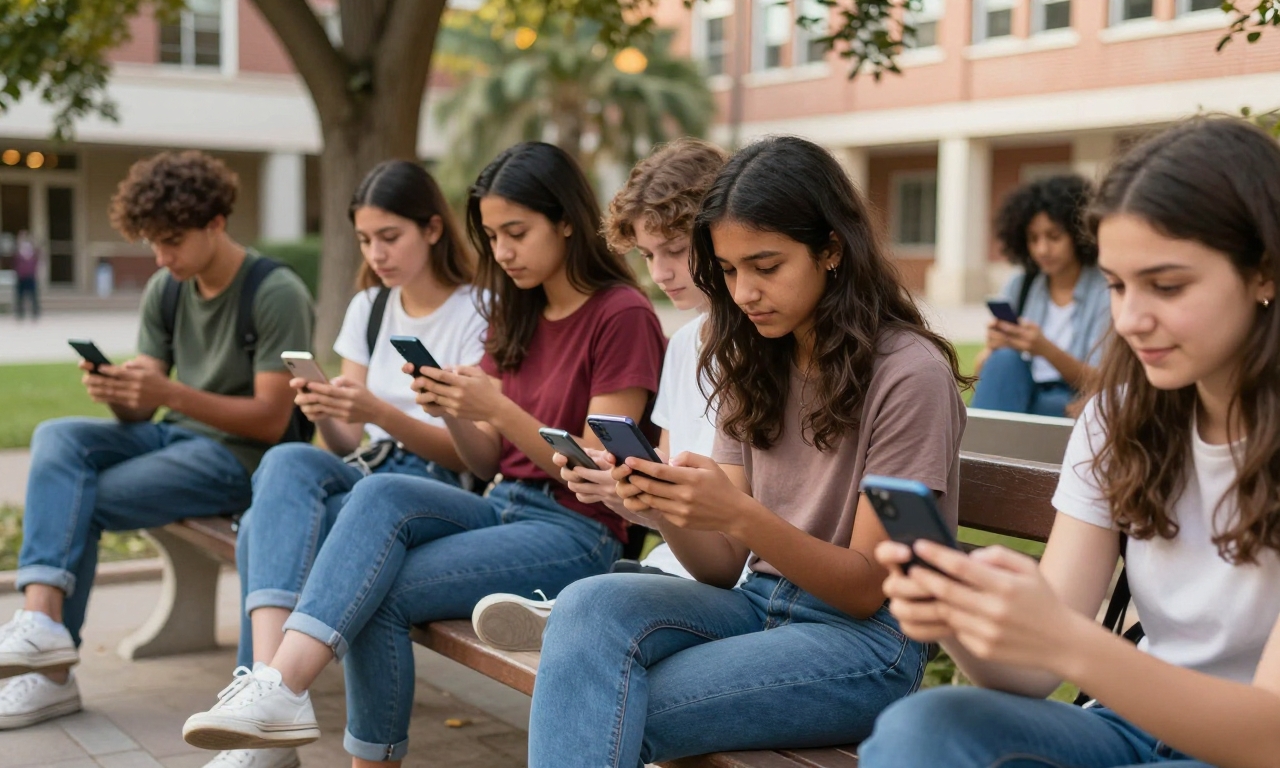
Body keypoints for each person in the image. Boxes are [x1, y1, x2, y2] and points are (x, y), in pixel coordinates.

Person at [182, 141, 667, 767]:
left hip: (578, 532)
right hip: (503, 508)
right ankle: (281, 688)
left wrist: (496, 408)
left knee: (375, 589)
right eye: (492, 236)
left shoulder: (620, 314)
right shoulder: (519, 312)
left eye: (516, 232)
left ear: (567, 221)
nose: (502, 252)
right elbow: (486, 460)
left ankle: (287, 693)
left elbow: (598, 471)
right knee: (379, 493)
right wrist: (452, 407)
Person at [526, 136, 969, 767]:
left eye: (767, 267)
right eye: (729, 271)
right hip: (755, 604)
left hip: (863, 645)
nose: (744, 293)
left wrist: (736, 513)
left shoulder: (908, 373)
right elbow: (721, 566)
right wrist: (667, 502)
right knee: (588, 605)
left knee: (601, 701)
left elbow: (867, 588)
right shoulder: (754, 358)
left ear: (832, 250)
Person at [859, 117, 1280, 768]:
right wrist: (964, 618)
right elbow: (1028, 671)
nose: (1131, 319)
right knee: (926, 728)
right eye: (1116, 285)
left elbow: (1267, 735)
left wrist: (1067, 643)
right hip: (1132, 727)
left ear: (1264, 273)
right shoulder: (1119, 419)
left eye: (1166, 285)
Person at [0, 150, 313, 731]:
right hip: (172, 438)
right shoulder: (168, 289)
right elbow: (144, 402)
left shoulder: (275, 292)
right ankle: (43, 627)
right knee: (57, 437)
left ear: (216, 222)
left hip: (241, 460)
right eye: (151, 242)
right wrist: (118, 389)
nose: (161, 255)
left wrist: (168, 390)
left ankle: (50, 678)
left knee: (72, 501)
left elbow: (272, 420)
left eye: (171, 240)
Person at [205, 161, 487, 768]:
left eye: (391, 237)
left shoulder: (477, 310)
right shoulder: (370, 306)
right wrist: (326, 408)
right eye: (365, 240)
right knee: (286, 459)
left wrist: (379, 411)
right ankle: (268, 692)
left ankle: (266, 718)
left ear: (433, 228)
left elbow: (472, 458)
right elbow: (343, 441)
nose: (377, 253)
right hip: (368, 470)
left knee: (261, 526)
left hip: (433, 487)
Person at [469, 137, 733, 652]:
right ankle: (569, 613)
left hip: (718, 575)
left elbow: (734, 522)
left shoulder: (630, 316)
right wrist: (627, 491)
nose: (659, 273)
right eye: (648, 255)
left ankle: (568, 614)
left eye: (676, 252)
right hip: (667, 564)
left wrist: (496, 407)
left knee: (591, 625)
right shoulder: (682, 346)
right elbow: (666, 482)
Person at [970, 175, 1110, 417]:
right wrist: (994, 347)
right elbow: (982, 371)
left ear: (1079, 234)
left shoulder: (1105, 290)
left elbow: (1106, 382)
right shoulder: (1021, 284)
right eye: (1033, 239)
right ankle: (974, 452)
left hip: (1074, 401)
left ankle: (976, 450)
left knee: (1054, 404)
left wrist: (1045, 349)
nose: (1042, 249)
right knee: (1004, 360)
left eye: (1054, 237)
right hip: (1021, 389)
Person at [13, 230, 40, 320]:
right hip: (21, 276)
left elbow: (37, 252)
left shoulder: (33, 252)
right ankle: (20, 313)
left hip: (30, 275)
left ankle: (35, 313)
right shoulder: (19, 251)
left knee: (33, 296)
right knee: (20, 296)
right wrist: (20, 238)